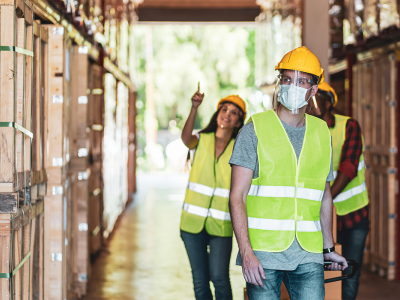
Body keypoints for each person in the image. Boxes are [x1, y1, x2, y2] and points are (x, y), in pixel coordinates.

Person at [228, 46, 348, 300]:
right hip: (263, 254)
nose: (292, 86)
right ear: (279, 84)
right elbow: (236, 196)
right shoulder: (254, 130)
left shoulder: (321, 131)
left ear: (313, 90)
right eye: (287, 79)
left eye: (302, 81)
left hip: (308, 253)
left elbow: (323, 194)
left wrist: (328, 247)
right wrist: (246, 252)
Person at [180, 85, 246, 300]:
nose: (227, 114)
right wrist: (194, 108)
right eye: (224, 109)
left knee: (219, 277)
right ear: (217, 114)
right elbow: (185, 138)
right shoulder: (201, 140)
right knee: (199, 280)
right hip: (192, 223)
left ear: (238, 121)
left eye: (233, 112)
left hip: (222, 225)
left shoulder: (240, 148)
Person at [309, 81, 369, 300]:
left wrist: (325, 198)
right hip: (321, 218)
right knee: (322, 274)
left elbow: (348, 167)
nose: (311, 103)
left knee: (349, 273)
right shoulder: (305, 129)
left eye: (317, 98)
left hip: (353, 215)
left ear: (329, 102)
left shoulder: (349, 126)